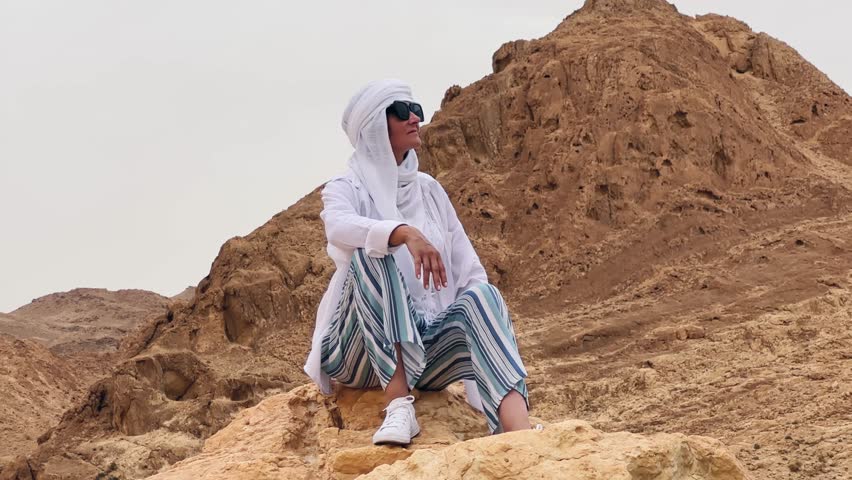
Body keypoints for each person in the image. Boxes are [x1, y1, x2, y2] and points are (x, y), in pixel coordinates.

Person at [303, 79, 530, 446]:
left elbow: (468, 269)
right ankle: (398, 407)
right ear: (375, 125)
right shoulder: (347, 186)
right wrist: (403, 232)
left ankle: (516, 431)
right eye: (402, 111)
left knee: (483, 294)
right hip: (357, 353)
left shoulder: (429, 190)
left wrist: (479, 325)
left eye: (417, 110)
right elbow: (338, 227)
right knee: (372, 252)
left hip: (424, 354)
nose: (415, 118)